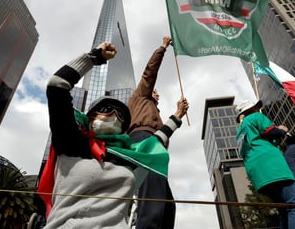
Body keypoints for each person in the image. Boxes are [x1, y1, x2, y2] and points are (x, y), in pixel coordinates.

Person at [37, 42, 189, 229]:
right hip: (139, 137)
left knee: (166, 204)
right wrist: (95, 57)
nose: (114, 116)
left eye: (120, 116)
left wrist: (177, 116)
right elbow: (57, 86)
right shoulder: (71, 142)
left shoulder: (127, 159)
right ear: (90, 118)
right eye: (106, 109)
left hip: (139, 147)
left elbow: (157, 140)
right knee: (152, 197)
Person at [127, 36, 182, 229]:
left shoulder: (153, 111)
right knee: (152, 203)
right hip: (143, 142)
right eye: (155, 91)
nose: (157, 93)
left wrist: (177, 114)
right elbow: (149, 74)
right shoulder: (140, 96)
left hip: (154, 145)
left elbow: (162, 135)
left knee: (167, 206)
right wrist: (163, 48)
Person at [235, 99, 295, 229]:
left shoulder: (240, 130)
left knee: (284, 210)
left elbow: (263, 140)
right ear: (251, 109)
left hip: (257, 173)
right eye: (257, 106)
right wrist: (282, 129)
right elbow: (272, 132)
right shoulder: (256, 116)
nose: (258, 109)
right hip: (272, 166)